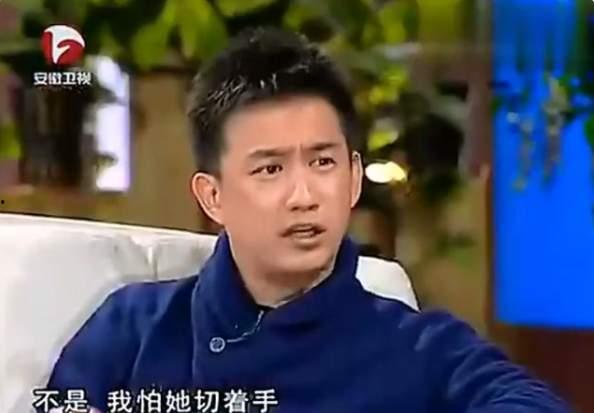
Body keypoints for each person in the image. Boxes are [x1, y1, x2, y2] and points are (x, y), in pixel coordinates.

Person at [43, 27, 573, 413]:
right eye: (270, 169)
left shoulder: (419, 348)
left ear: (354, 178)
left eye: (322, 163)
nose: (304, 196)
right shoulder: (132, 330)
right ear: (213, 197)